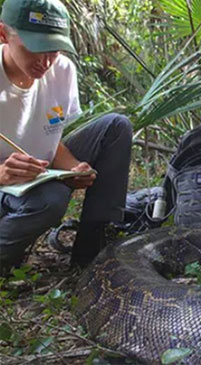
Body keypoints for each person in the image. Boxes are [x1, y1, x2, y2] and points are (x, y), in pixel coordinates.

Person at [0, 0, 132, 273]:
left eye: (54, 50)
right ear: (3, 35)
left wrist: (73, 168)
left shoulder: (61, 70)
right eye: (34, 48)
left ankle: (91, 254)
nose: (44, 62)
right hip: (6, 185)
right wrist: (2, 174)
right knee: (51, 198)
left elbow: (50, 138)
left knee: (116, 127)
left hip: (39, 171)